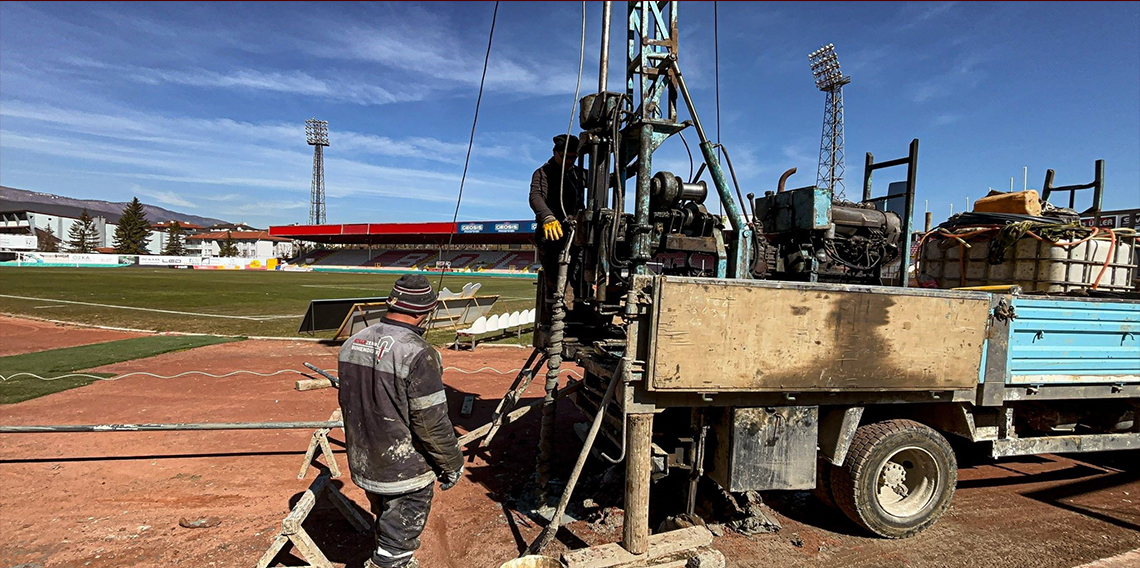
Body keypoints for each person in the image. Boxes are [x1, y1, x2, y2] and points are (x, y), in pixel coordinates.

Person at [338, 274, 463, 568]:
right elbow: (430, 423)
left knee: (385, 514)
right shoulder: (418, 353)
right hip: (404, 471)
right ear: (423, 311)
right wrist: (451, 464)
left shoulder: (352, 343)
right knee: (397, 542)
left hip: (365, 459)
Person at [529, 133, 586, 298]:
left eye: (573, 158)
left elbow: (606, 181)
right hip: (552, 235)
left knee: (579, 278)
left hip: (575, 236)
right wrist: (547, 217)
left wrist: (630, 169)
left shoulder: (577, 173)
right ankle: (552, 316)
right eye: (565, 157)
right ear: (555, 152)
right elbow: (536, 196)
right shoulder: (542, 173)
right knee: (554, 284)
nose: (569, 161)